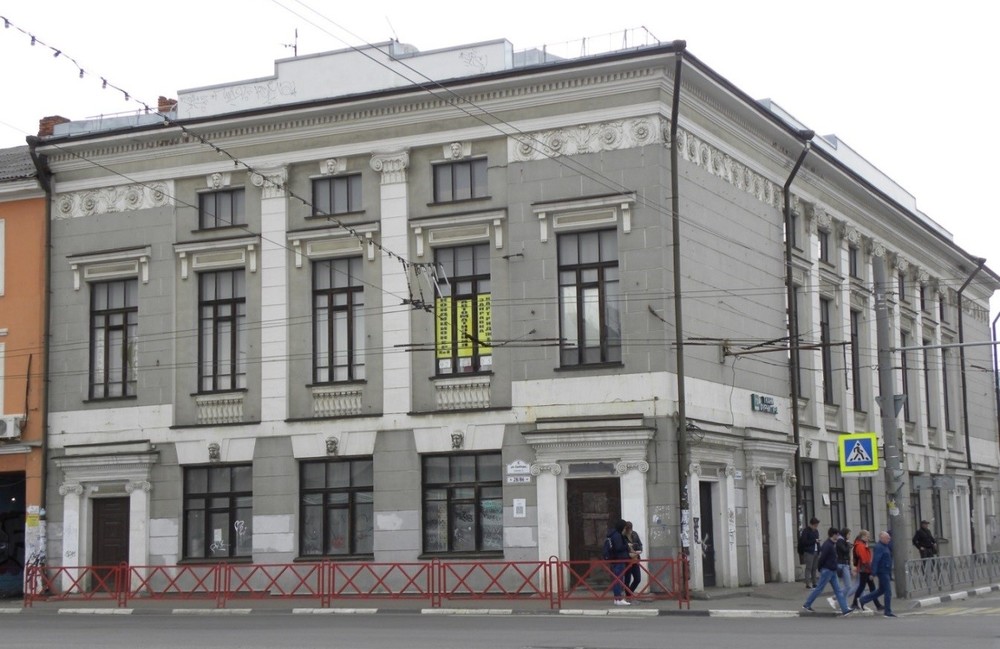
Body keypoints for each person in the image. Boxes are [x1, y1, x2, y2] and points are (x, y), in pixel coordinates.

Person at [802, 527, 853, 616]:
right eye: (837, 535)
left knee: (838, 591)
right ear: (833, 535)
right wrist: (820, 568)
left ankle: (845, 610)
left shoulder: (832, 544)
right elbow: (822, 558)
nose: (838, 536)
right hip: (827, 570)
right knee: (819, 589)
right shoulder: (828, 545)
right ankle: (807, 604)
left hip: (832, 570)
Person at [859, 530, 896, 617]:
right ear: (882, 538)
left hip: (886, 571)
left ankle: (863, 600)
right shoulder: (879, 547)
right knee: (888, 592)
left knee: (881, 590)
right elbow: (876, 560)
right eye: (887, 538)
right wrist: (873, 573)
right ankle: (887, 611)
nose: (889, 539)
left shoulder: (885, 546)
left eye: (889, 538)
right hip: (882, 572)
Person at [851, 530, 883, 611]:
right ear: (863, 536)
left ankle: (877, 605)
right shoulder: (860, 546)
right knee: (864, 587)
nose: (868, 538)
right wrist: (871, 569)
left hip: (865, 569)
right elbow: (864, 559)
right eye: (867, 536)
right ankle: (855, 603)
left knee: (869, 587)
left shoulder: (861, 544)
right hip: (865, 569)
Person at [605, 519, 633, 605]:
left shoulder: (613, 534)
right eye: (624, 527)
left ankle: (617, 599)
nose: (625, 529)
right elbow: (618, 548)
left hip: (615, 559)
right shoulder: (617, 535)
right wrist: (627, 546)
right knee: (618, 580)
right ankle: (619, 599)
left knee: (617, 579)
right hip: (618, 559)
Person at [827, 527, 853, 609]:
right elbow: (844, 550)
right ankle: (835, 599)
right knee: (848, 585)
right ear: (845, 534)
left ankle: (841, 603)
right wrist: (848, 545)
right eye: (848, 534)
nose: (849, 536)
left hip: (845, 564)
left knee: (847, 586)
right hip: (841, 564)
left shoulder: (843, 541)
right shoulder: (840, 541)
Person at [622, 521, 643, 597]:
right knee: (627, 579)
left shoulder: (634, 534)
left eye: (630, 528)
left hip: (635, 559)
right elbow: (622, 548)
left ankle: (629, 593)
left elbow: (640, 544)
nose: (630, 531)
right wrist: (628, 552)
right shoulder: (622, 536)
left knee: (637, 579)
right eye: (628, 529)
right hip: (627, 560)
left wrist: (639, 550)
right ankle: (628, 595)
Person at [798, 517, 821, 588]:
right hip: (809, 552)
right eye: (815, 525)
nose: (815, 527)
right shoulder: (806, 531)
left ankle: (814, 583)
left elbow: (817, 541)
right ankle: (807, 583)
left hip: (815, 551)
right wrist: (814, 541)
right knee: (809, 568)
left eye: (816, 526)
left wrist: (819, 549)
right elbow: (804, 542)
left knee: (814, 568)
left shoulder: (816, 531)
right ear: (811, 524)